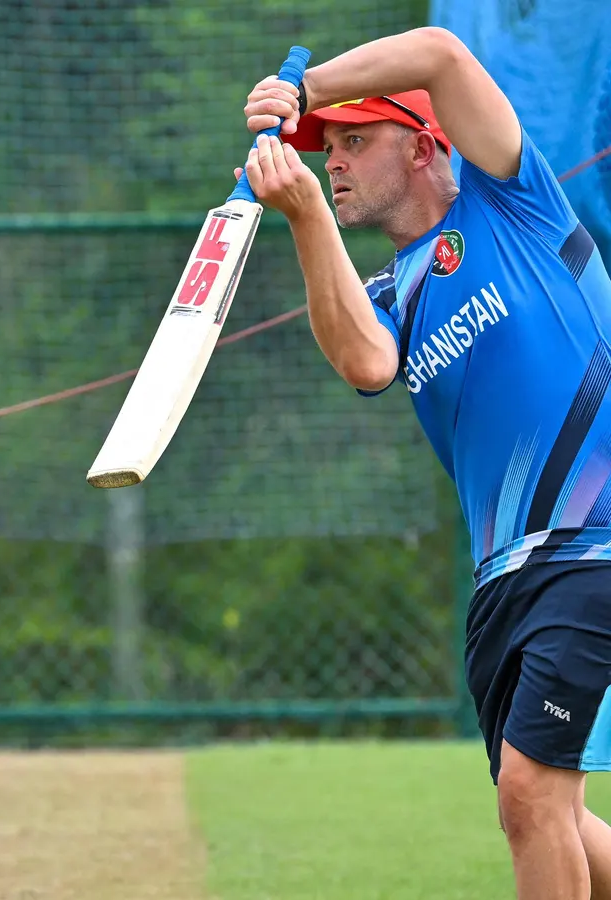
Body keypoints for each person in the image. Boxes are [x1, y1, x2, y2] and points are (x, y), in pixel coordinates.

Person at [237, 25, 611, 900]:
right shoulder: (387, 295)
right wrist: (305, 217)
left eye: (355, 141)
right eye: (328, 148)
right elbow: (365, 361)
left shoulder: (512, 198)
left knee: (530, 796)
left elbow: (442, 53)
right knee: (549, 815)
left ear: (424, 142)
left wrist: (307, 86)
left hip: (593, 542)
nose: (334, 159)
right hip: (501, 583)